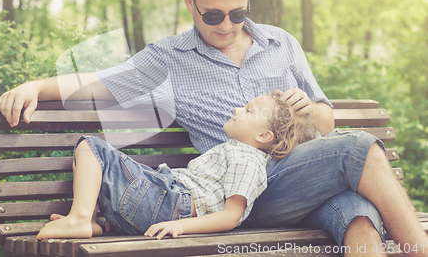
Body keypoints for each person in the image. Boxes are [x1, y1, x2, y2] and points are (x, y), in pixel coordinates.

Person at [0, 0, 428, 255]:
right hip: (243, 195)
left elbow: (326, 122)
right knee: (359, 148)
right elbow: (99, 82)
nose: (227, 25)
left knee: (359, 212)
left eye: (237, 13)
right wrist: (36, 85)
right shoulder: (168, 59)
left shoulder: (282, 43)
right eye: (214, 15)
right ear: (190, 3)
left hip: (306, 178)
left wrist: (308, 111)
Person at [36, 94, 316, 240]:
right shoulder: (237, 151)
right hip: (164, 201)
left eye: (248, 111)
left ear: (264, 136)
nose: (237, 110)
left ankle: (80, 218)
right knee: (99, 159)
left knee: (92, 147)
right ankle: (99, 224)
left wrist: (182, 226)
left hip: (170, 204)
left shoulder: (247, 159)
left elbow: (231, 216)